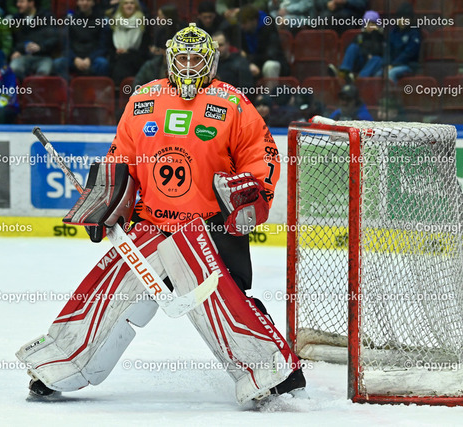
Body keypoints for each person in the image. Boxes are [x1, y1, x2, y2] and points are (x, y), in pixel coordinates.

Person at [16, 23, 305, 407]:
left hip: (206, 227)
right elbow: (121, 159)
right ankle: (60, 365)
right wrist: (105, 204)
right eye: (181, 58)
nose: (188, 66)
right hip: (151, 223)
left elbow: (262, 159)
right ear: (169, 59)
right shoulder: (143, 99)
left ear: (211, 61)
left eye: (195, 59)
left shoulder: (233, 104)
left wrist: (249, 199)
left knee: (222, 302)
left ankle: (274, 372)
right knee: (106, 291)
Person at [53, 0, 111, 79]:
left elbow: (103, 46)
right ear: (77, 2)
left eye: (88, 0)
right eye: (82, 0)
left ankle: (98, 90)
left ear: (93, 3)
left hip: (93, 58)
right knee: (58, 63)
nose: (84, 3)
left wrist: (90, 59)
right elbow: (66, 45)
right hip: (74, 58)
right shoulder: (70, 21)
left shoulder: (101, 21)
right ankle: (69, 88)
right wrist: (75, 58)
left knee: (103, 63)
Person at [328, 10, 383, 83]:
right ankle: (344, 72)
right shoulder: (359, 36)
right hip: (360, 61)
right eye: (368, 23)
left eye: (373, 23)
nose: (370, 26)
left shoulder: (381, 38)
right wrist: (366, 54)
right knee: (353, 47)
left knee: (377, 59)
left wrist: (375, 35)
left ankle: (359, 79)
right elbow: (351, 52)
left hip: (372, 65)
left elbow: (379, 52)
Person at [9, 0, 58, 80]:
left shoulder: (47, 16)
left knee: (44, 71)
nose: (18, 5)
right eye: (17, 2)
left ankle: (37, 91)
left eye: (21, 2)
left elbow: (53, 39)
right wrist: (16, 50)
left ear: (31, 3)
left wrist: (40, 47)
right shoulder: (16, 19)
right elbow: (13, 41)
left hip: (43, 57)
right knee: (14, 67)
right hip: (23, 56)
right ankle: (24, 91)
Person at [108, 0, 146, 86]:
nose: (129, 5)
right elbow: (109, 46)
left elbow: (144, 49)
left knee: (126, 60)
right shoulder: (115, 21)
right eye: (126, 3)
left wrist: (128, 51)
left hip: (136, 56)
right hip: (116, 56)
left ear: (136, 6)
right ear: (121, 6)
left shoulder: (143, 22)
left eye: (132, 3)